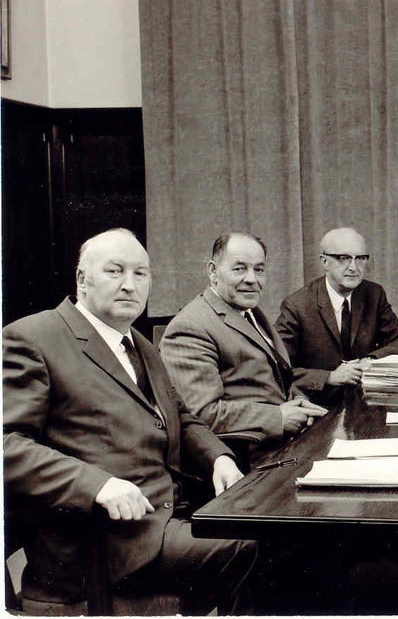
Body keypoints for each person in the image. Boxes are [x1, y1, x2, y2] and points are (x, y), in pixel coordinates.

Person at [3, 228, 256, 613]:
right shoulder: (33, 337)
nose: (130, 285)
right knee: (256, 550)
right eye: (114, 271)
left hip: (163, 521)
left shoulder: (141, 344)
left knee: (279, 540)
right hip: (102, 542)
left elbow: (180, 416)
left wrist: (218, 458)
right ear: (82, 279)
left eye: (141, 273)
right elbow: (7, 444)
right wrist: (97, 484)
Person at [160, 231, 326, 465]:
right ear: (213, 271)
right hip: (246, 462)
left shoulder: (249, 312)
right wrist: (278, 417)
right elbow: (200, 415)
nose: (251, 279)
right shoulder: (190, 326)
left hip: (283, 448)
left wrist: (298, 402)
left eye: (259, 269)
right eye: (239, 269)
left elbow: (273, 381)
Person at [276, 227, 398, 402]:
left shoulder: (373, 294)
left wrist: (370, 360)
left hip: (368, 402)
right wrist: (329, 377)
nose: (353, 267)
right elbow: (278, 368)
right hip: (320, 406)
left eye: (360, 258)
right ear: (325, 262)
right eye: (343, 258)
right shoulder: (297, 305)